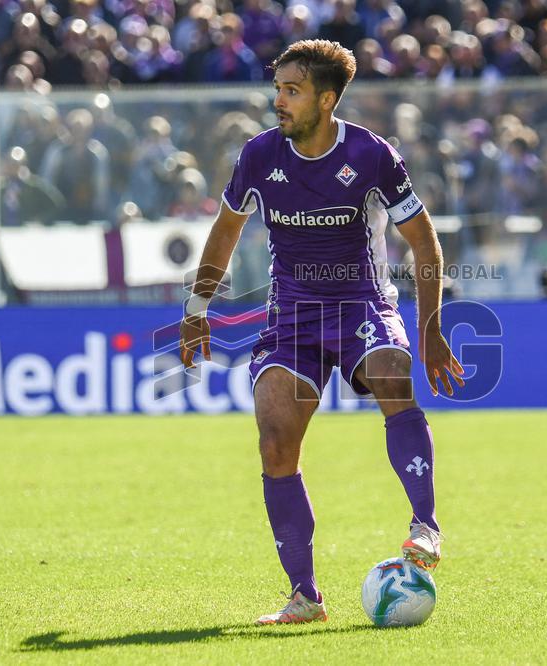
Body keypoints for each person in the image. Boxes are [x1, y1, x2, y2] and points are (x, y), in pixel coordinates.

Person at [178, 39, 464, 625]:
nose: (278, 100)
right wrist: (197, 306)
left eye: (292, 90)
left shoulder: (372, 154)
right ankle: (304, 597)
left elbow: (424, 242)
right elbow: (227, 230)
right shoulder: (259, 156)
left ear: (326, 99)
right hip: (293, 317)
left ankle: (425, 527)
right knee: (275, 439)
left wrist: (432, 329)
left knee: (390, 371)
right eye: (277, 88)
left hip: (361, 303)